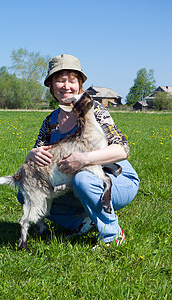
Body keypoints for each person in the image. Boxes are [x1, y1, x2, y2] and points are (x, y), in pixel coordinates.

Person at [17, 54, 139, 246]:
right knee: (25, 190)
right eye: (59, 80)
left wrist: (84, 159)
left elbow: (122, 149)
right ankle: (83, 222)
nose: (66, 86)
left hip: (115, 179)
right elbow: (39, 155)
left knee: (83, 179)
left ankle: (112, 235)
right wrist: (31, 154)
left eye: (72, 80)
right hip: (76, 183)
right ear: (51, 86)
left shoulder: (94, 110)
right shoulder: (51, 121)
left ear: (79, 84)